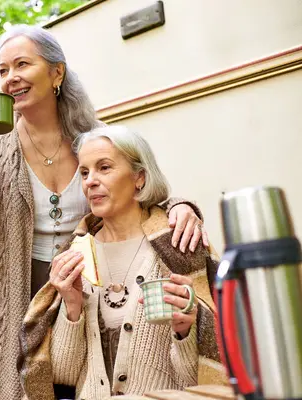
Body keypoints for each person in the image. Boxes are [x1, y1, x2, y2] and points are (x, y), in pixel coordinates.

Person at [0, 25, 209, 400]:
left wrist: (181, 207)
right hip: (15, 301)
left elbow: (136, 186)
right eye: (2, 70)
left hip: (84, 295)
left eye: (22, 64)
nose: (11, 78)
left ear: (57, 72)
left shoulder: (92, 138)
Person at [17, 125, 226, 400]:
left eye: (104, 168)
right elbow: (63, 375)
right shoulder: (76, 253)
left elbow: (199, 379)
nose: (90, 181)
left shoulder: (178, 247)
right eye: (84, 172)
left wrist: (184, 330)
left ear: (139, 178)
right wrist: (72, 306)